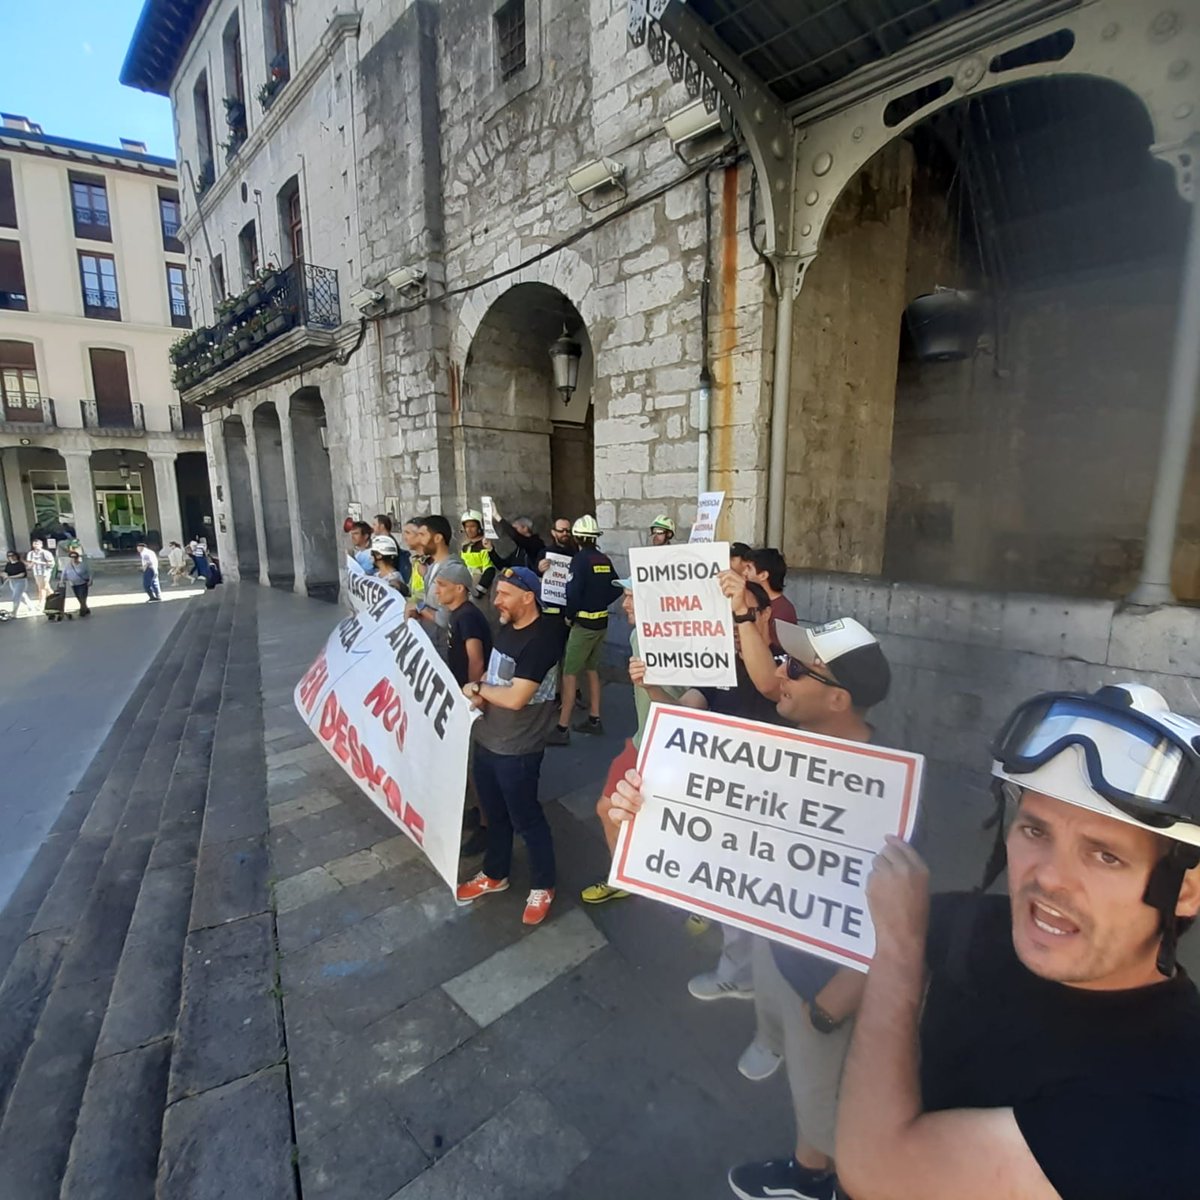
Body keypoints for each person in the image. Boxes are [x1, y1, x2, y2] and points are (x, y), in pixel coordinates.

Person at [837, 683, 1200, 1200]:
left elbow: (877, 1172)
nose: (1049, 878)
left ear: (1184, 891)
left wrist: (898, 950)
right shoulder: (977, 924)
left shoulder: (1163, 1111)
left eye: (1104, 856)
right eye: (1035, 832)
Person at [608, 602, 893, 1200]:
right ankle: (777, 1058)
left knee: (823, 1098)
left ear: (839, 699)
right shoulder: (782, 748)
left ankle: (817, 1178)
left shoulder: (884, 793)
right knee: (788, 1045)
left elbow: (894, 931)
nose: (777, 674)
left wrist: (829, 1007)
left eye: (796, 667)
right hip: (778, 953)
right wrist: (644, 817)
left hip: (828, 987)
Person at [457, 567, 563, 926]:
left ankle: (544, 884)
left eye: (503, 594)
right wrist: (480, 690)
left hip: (518, 748)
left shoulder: (543, 637)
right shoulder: (507, 626)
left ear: (528, 597)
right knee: (495, 814)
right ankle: (494, 873)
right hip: (488, 738)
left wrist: (476, 690)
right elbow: (492, 672)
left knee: (526, 818)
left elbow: (517, 697)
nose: (495, 599)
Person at [580, 574, 685, 906]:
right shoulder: (641, 635)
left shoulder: (670, 639)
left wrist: (651, 686)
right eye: (624, 596)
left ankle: (634, 877)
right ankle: (625, 874)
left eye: (630, 597)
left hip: (667, 748)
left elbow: (685, 709)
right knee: (607, 808)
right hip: (644, 740)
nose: (623, 604)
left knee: (617, 810)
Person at [547, 515, 614, 744]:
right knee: (592, 670)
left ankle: (562, 727)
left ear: (577, 537)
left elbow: (572, 593)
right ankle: (595, 719)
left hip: (583, 624)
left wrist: (569, 616)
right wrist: (599, 599)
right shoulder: (603, 559)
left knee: (570, 673)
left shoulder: (579, 560)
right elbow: (615, 587)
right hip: (602, 623)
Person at [407, 515, 465, 650]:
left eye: (422, 535)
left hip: (445, 647)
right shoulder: (432, 567)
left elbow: (444, 618)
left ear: (438, 538)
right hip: (432, 641)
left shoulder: (452, 569)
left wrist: (421, 607)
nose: (419, 540)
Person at [436, 561, 492, 689]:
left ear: (460, 588)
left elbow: (476, 661)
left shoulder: (467, 616)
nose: (437, 591)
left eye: (442, 585)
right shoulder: (458, 613)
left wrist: (473, 693)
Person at [746, 547, 797, 646]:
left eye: (749, 568)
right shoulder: (754, 600)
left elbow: (776, 652)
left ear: (763, 575)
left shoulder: (783, 610)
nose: (744, 572)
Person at [491, 501, 545, 572]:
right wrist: (491, 550)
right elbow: (502, 565)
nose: (513, 531)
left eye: (515, 528)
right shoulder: (518, 550)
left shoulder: (535, 543)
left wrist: (497, 517)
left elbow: (516, 537)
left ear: (525, 528)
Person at [459, 510, 500, 597]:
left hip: (482, 589)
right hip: (466, 588)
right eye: (466, 526)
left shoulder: (485, 545)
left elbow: (489, 569)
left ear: (480, 527)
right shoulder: (465, 546)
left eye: (472, 526)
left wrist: (480, 590)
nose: (469, 530)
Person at [59, 550, 92, 617]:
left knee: (82, 596)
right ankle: (86, 608)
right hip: (73, 584)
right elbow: (64, 573)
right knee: (78, 597)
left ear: (77, 558)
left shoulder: (83, 565)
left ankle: (82, 611)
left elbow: (89, 573)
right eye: (72, 557)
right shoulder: (67, 566)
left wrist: (90, 580)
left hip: (82, 583)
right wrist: (62, 581)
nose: (73, 559)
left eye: (75, 557)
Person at [4, 550, 34, 617]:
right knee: (22, 595)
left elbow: (22, 574)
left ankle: (14, 612)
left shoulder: (20, 564)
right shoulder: (8, 564)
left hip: (21, 581)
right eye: (9, 556)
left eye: (12, 555)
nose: (11, 557)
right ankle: (31, 607)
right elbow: (6, 572)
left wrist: (10, 577)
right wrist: (5, 575)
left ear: (16, 556)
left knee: (16, 596)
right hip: (12, 582)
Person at [25, 539, 54, 608]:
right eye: (34, 544)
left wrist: (39, 562)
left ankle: (41, 603)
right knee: (46, 587)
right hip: (36, 572)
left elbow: (51, 563)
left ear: (41, 545)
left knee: (42, 587)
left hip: (45, 572)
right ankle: (54, 597)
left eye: (37, 544)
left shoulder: (46, 553)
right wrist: (29, 565)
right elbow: (29, 564)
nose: (36, 545)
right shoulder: (31, 553)